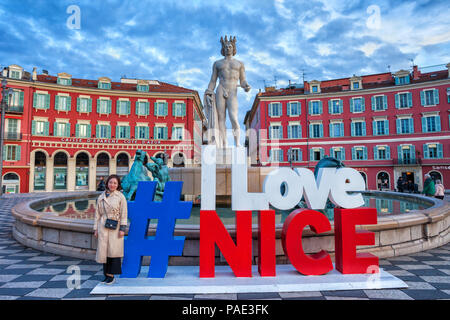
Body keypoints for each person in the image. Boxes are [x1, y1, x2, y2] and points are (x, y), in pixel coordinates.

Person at [93, 174, 128, 285]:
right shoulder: (101, 196)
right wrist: (96, 229)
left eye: (115, 183)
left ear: (118, 185)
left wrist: (122, 228)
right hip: (103, 225)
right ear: (107, 183)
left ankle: (111, 276)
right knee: (104, 252)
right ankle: (106, 275)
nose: (112, 184)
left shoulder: (120, 197)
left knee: (113, 251)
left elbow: (124, 213)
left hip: (115, 226)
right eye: (110, 182)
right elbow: (97, 214)